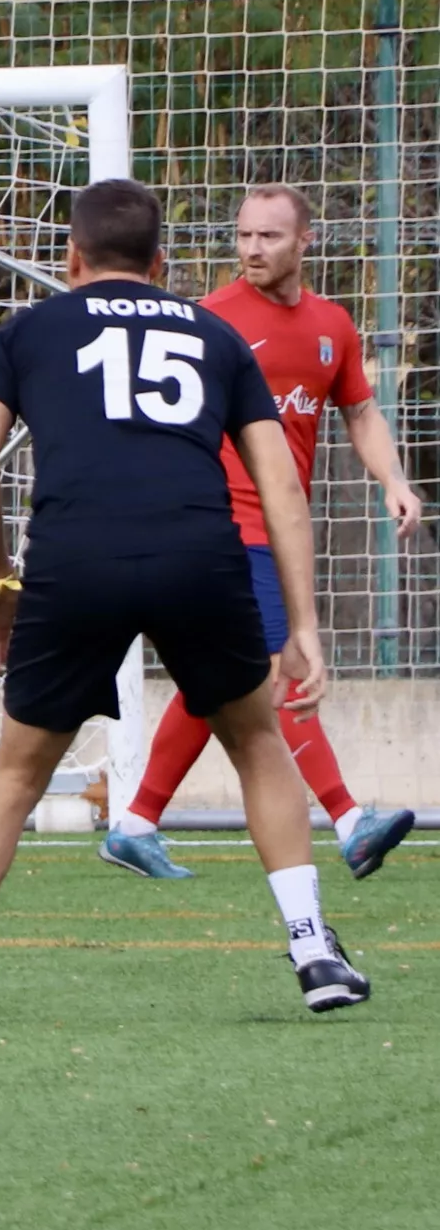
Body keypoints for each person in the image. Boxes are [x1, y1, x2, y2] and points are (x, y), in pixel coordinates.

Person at [0, 179, 370, 1027]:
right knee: (259, 742)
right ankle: (313, 950)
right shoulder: (218, 334)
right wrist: (300, 626)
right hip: (199, 553)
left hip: (76, 560)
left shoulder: (28, 332)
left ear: (72, 259)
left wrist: (1, 582)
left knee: (17, 772)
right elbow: (281, 490)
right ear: (160, 264)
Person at [103, 184, 421, 880]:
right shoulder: (208, 320)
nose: (251, 248)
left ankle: (135, 821)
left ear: (306, 241)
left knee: (220, 681)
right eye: (244, 235)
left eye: (269, 237)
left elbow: (360, 413)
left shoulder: (332, 326)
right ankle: (347, 820)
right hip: (222, 528)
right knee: (280, 671)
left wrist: (393, 480)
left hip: (278, 531)